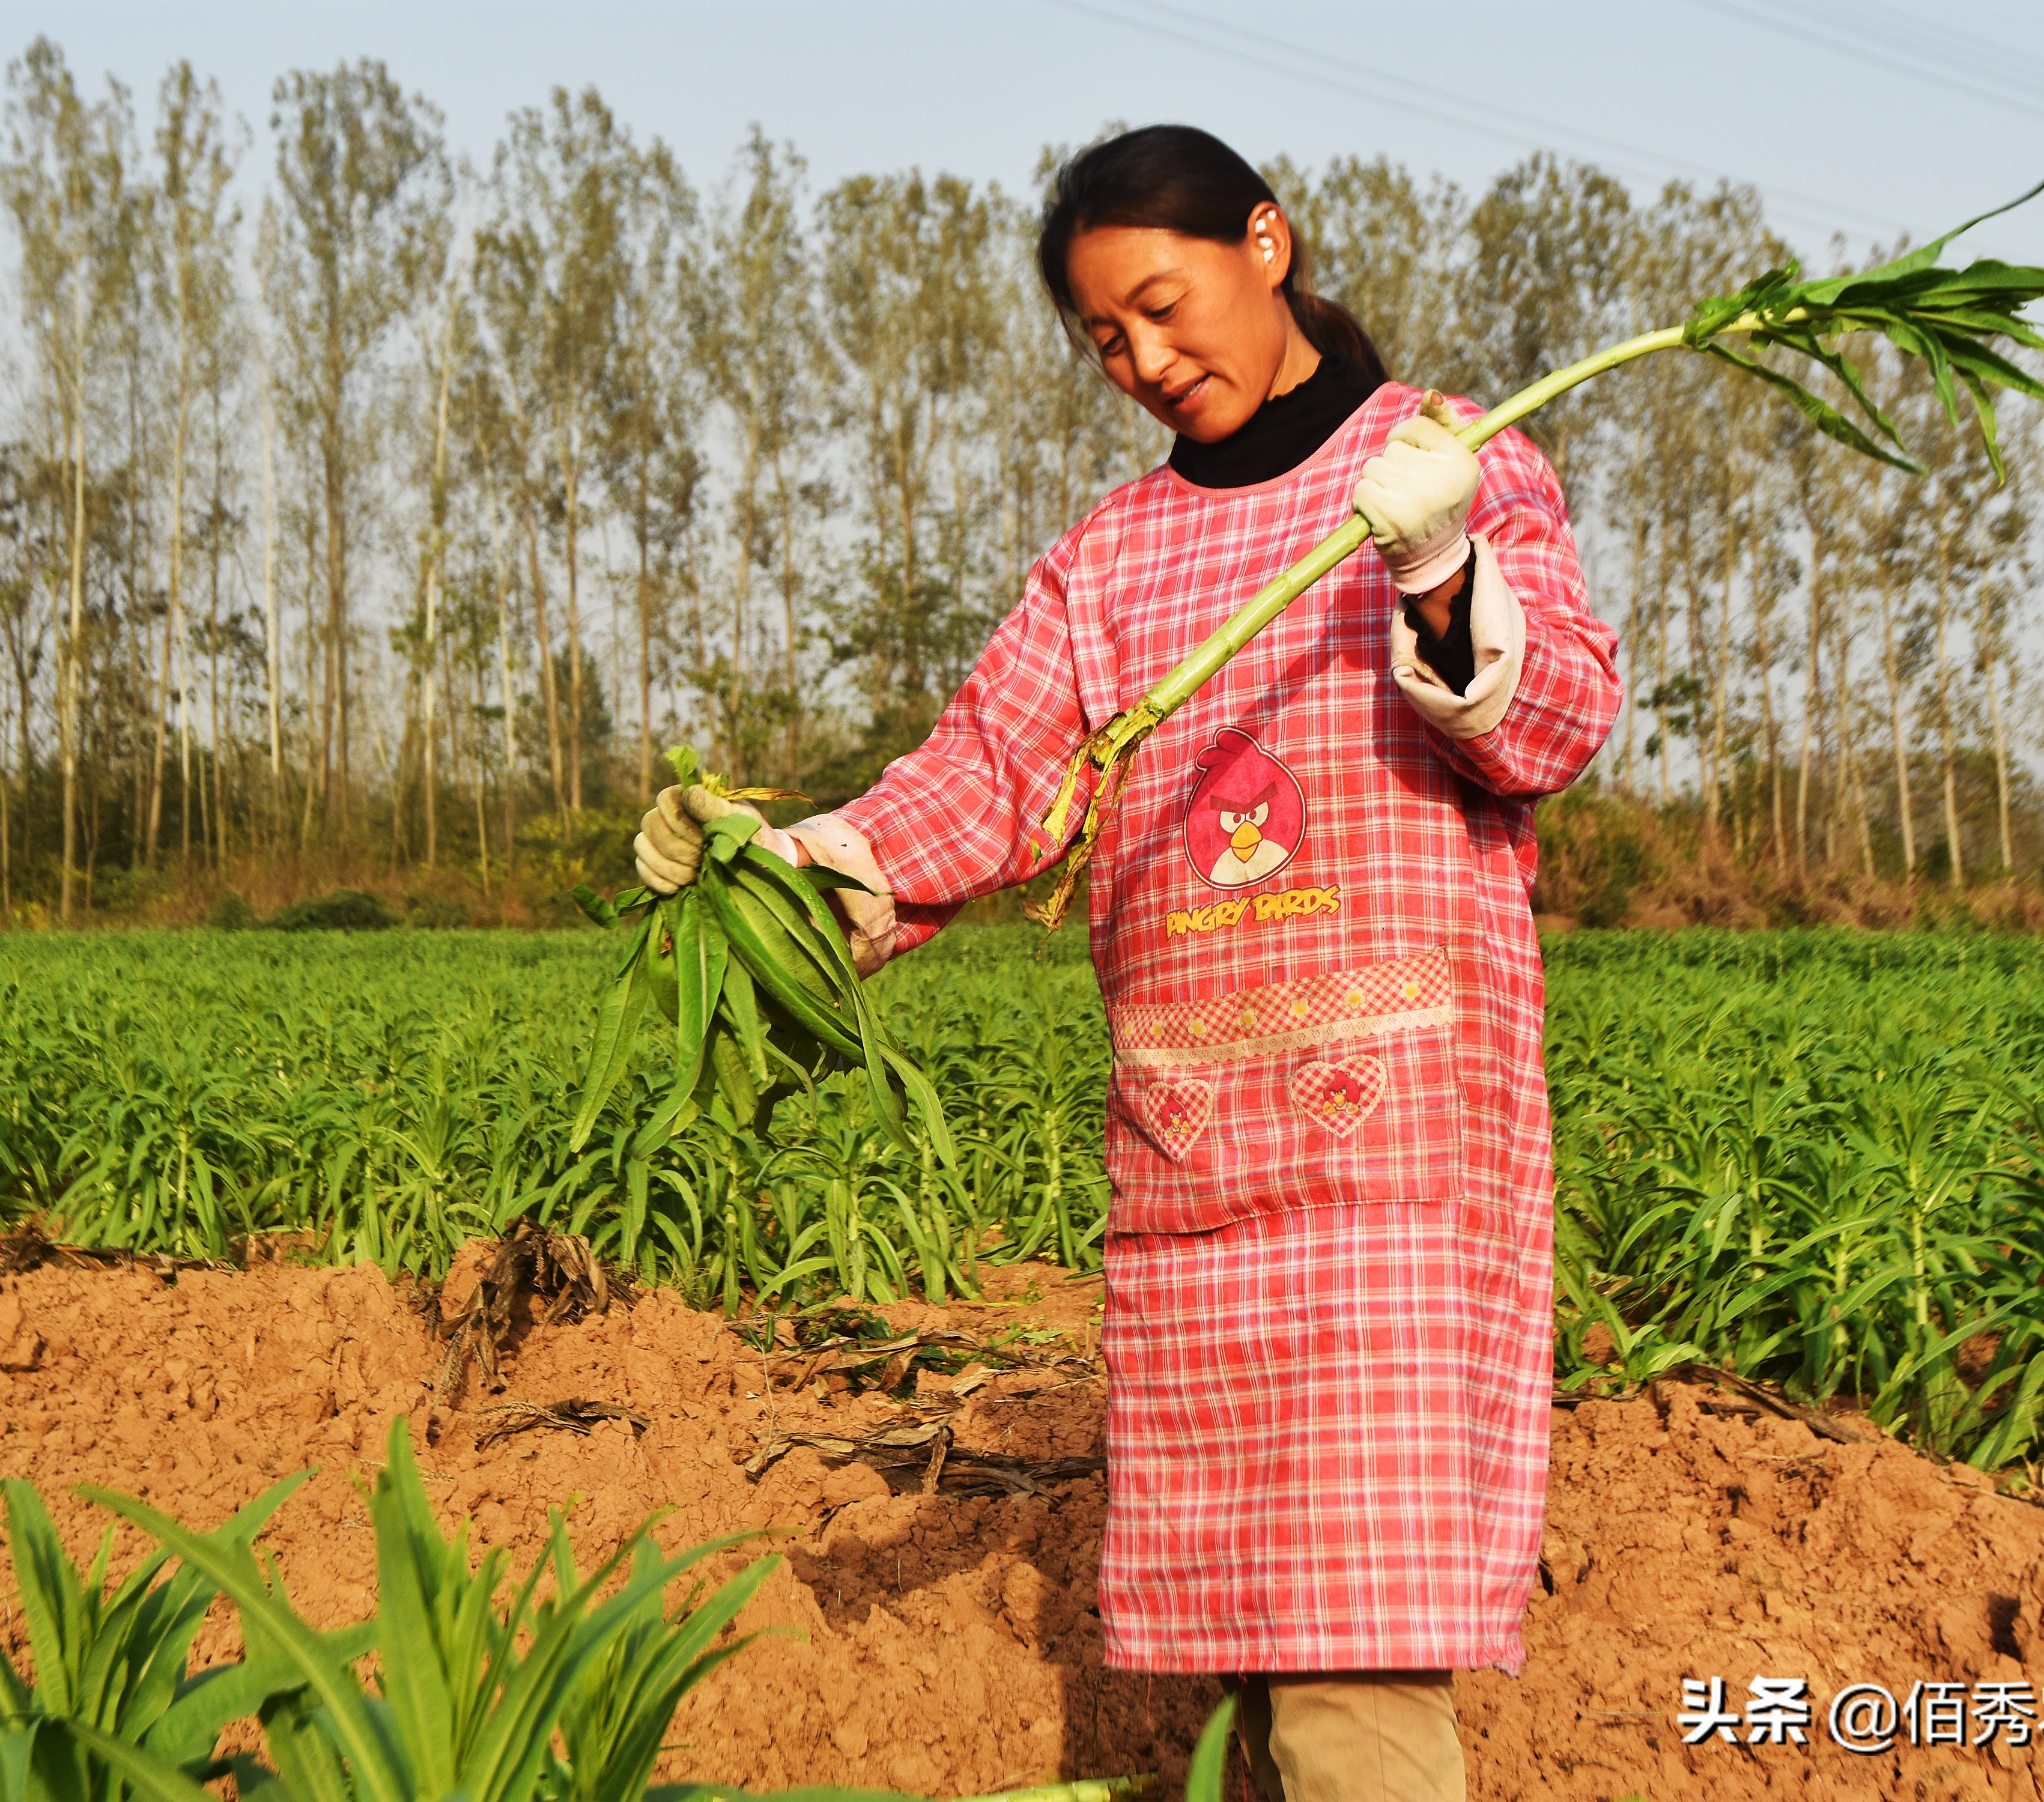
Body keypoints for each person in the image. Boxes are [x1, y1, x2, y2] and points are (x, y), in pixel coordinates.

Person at [633, 124, 1618, 1802]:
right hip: (1200, 1164)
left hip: (1394, 1156)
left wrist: (1439, 572)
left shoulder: (1449, 461)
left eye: (1167, 308)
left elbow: (1561, 719)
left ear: (1268, 242)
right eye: (1109, 342)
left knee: (1351, 1667)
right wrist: (775, 867)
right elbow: (985, 781)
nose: (1152, 363)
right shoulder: (1109, 563)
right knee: (1257, 1653)